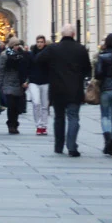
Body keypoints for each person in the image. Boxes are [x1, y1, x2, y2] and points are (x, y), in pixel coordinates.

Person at [36, 24, 92, 156]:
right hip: (75, 89)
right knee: (73, 117)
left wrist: (49, 70)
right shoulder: (80, 49)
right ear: (73, 34)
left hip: (57, 89)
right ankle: (72, 146)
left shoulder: (53, 48)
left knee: (59, 117)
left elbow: (38, 60)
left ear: (62, 34)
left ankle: (58, 146)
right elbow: (87, 69)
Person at [0, 38, 29, 134]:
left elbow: (25, 68)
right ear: (11, 45)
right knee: (11, 105)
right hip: (8, 82)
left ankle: (15, 123)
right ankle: (11, 125)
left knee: (17, 105)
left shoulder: (21, 55)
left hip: (18, 82)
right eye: (15, 45)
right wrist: (0, 83)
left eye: (18, 45)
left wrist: (26, 80)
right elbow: (1, 69)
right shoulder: (4, 55)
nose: (17, 47)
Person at [27, 34, 51, 136]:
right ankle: (38, 125)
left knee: (45, 105)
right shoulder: (31, 54)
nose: (40, 44)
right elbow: (27, 67)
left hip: (45, 81)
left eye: (41, 42)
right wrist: (26, 80)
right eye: (38, 42)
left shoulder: (48, 54)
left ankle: (44, 125)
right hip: (34, 81)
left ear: (44, 43)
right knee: (36, 103)